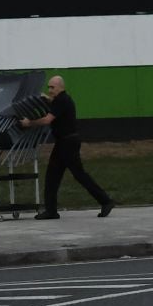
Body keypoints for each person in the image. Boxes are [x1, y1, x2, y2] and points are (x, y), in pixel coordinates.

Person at [13, 74, 114, 219]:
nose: (49, 90)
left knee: (79, 175)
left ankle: (106, 201)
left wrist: (29, 123)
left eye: (52, 87)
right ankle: (51, 211)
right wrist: (45, 98)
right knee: (52, 176)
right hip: (63, 143)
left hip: (68, 144)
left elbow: (47, 120)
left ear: (60, 87)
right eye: (48, 87)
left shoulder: (62, 101)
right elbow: (53, 102)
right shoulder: (61, 100)